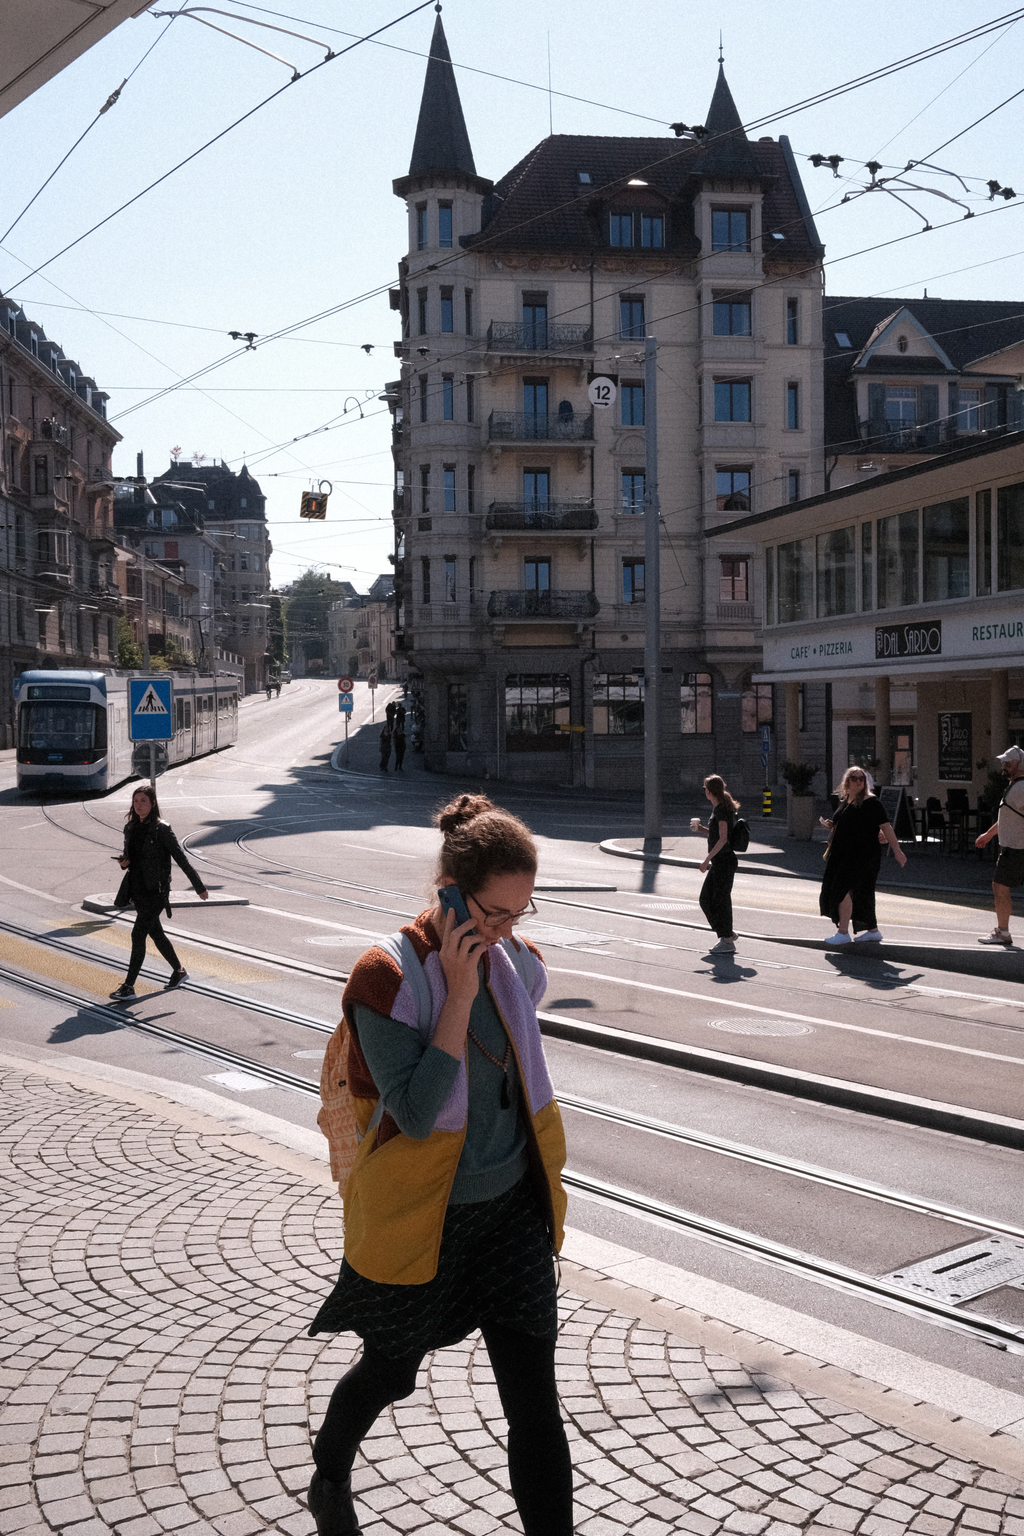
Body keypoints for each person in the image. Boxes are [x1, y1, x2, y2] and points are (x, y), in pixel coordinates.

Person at [307, 794, 570, 1536]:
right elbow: (417, 1114)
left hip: (511, 1211)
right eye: (491, 913)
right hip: (426, 1219)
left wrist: (493, 959)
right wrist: (459, 991)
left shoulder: (516, 965)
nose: (505, 931)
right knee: (391, 1371)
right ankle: (330, 1470)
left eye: (519, 914)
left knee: (534, 1403)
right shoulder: (385, 980)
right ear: (451, 891)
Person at [109, 786, 209, 1000]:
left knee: (138, 934)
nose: (139, 805)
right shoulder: (130, 827)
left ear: (153, 804)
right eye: (136, 801)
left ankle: (128, 987)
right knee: (156, 934)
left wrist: (198, 886)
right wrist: (124, 863)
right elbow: (130, 859)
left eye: (144, 800)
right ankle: (179, 972)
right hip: (137, 889)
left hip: (156, 891)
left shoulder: (162, 829)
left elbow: (181, 859)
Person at [819, 767, 907, 944]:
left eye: (862, 779)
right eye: (854, 778)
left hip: (862, 855)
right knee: (862, 893)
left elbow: (886, 827)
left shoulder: (871, 802)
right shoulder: (846, 801)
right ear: (847, 781)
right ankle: (873, 931)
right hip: (843, 854)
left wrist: (897, 851)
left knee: (842, 889)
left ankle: (843, 933)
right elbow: (850, 824)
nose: (858, 781)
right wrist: (831, 826)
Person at [974, 744, 1024, 945]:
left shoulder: (1020, 788)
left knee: (1000, 888)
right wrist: (988, 834)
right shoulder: (1017, 786)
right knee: (1000, 888)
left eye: (1008, 762)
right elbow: (1009, 816)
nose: (1004, 765)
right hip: (1015, 847)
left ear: (1020, 764)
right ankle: (1002, 931)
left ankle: (1003, 933)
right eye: (1004, 762)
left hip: (1016, 848)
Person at [696, 774, 740, 955]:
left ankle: (727, 940)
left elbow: (722, 840)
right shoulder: (719, 808)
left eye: (705, 788)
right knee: (709, 899)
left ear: (710, 791)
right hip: (721, 861)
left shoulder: (721, 810)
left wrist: (706, 860)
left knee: (717, 900)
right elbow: (719, 835)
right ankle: (726, 933)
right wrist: (701, 829)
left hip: (724, 862)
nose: (704, 791)